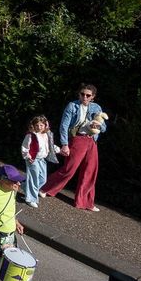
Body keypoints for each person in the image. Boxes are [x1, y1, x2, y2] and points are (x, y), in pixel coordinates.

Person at [42, 83, 106, 212]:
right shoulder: (72, 106)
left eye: (88, 95)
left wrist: (98, 127)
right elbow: (64, 126)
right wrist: (65, 144)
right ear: (79, 94)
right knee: (69, 169)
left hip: (92, 141)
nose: (85, 97)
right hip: (77, 139)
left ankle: (86, 202)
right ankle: (46, 188)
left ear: (93, 97)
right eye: (82, 94)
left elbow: (103, 127)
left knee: (90, 171)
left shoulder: (97, 108)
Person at [21, 114, 59, 208]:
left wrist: (59, 150)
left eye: (41, 125)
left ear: (45, 125)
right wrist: (27, 156)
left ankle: (25, 187)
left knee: (43, 179)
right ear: (33, 126)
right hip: (32, 159)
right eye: (37, 125)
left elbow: (50, 146)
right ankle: (30, 199)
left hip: (42, 160)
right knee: (34, 179)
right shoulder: (31, 135)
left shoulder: (46, 135)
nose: (39, 127)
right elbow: (25, 147)